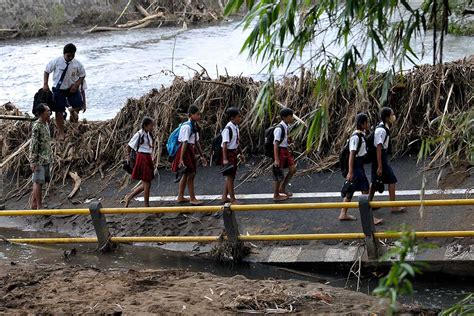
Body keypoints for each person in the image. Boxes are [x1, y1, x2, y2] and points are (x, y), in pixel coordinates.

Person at [339, 113, 383, 225]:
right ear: (362, 123)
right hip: (356, 167)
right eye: (366, 122)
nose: (368, 124)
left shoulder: (361, 135)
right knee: (365, 190)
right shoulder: (356, 137)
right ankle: (369, 218)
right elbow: (352, 154)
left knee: (350, 190)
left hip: (359, 165)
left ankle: (343, 213)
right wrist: (350, 171)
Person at [43, 43, 86, 140]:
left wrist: (76, 85)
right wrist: (45, 84)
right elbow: (46, 71)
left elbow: (82, 75)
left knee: (79, 104)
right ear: (64, 54)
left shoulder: (77, 64)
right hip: (59, 90)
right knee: (59, 110)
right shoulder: (56, 61)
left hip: (71, 88)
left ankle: (72, 111)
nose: (70, 58)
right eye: (68, 56)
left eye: (72, 56)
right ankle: (61, 132)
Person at [369, 107, 406, 213]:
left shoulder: (384, 127)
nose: (393, 116)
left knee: (375, 182)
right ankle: (393, 206)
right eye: (392, 114)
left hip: (380, 158)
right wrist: (380, 165)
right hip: (380, 158)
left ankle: (368, 203)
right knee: (392, 180)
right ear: (387, 117)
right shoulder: (381, 130)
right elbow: (379, 147)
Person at [172, 105, 208, 205]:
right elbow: (184, 142)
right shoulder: (187, 126)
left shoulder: (194, 125)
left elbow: (196, 142)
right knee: (191, 174)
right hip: (185, 151)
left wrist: (202, 156)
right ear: (191, 115)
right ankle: (192, 198)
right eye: (197, 114)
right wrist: (181, 158)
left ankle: (180, 196)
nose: (199, 116)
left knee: (186, 174)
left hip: (190, 150)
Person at [123, 117, 155, 208]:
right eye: (151, 125)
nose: (152, 127)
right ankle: (146, 205)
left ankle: (129, 197)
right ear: (145, 126)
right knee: (147, 183)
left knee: (147, 183)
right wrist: (128, 157)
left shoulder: (148, 134)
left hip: (147, 157)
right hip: (142, 157)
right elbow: (129, 146)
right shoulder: (139, 134)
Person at [29, 103, 53, 210]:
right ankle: (39, 206)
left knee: (40, 181)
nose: (49, 112)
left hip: (46, 157)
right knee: (37, 182)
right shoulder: (37, 127)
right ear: (41, 113)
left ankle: (34, 204)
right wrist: (33, 161)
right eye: (47, 111)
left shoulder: (45, 124)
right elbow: (33, 144)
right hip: (39, 159)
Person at [220, 107, 244, 204]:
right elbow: (224, 144)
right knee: (230, 176)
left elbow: (236, 142)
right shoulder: (228, 128)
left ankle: (224, 196)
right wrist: (225, 159)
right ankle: (232, 199)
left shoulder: (235, 127)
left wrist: (241, 153)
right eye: (239, 116)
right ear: (232, 118)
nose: (240, 118)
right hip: (228, 154)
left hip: (233, 152)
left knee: (231, 176)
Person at [273, 108, 296, 201]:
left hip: (285, 150)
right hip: (280, 151)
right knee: (279, 172)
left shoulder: (286, 126)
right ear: (285, 117)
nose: (292, 118)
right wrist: (276, 159)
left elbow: (285, 138)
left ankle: (282, 188)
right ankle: (276, 195)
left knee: (293, 169)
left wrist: (290, 142)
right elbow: (275, 144)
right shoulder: (279, 128)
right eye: (291, 116)